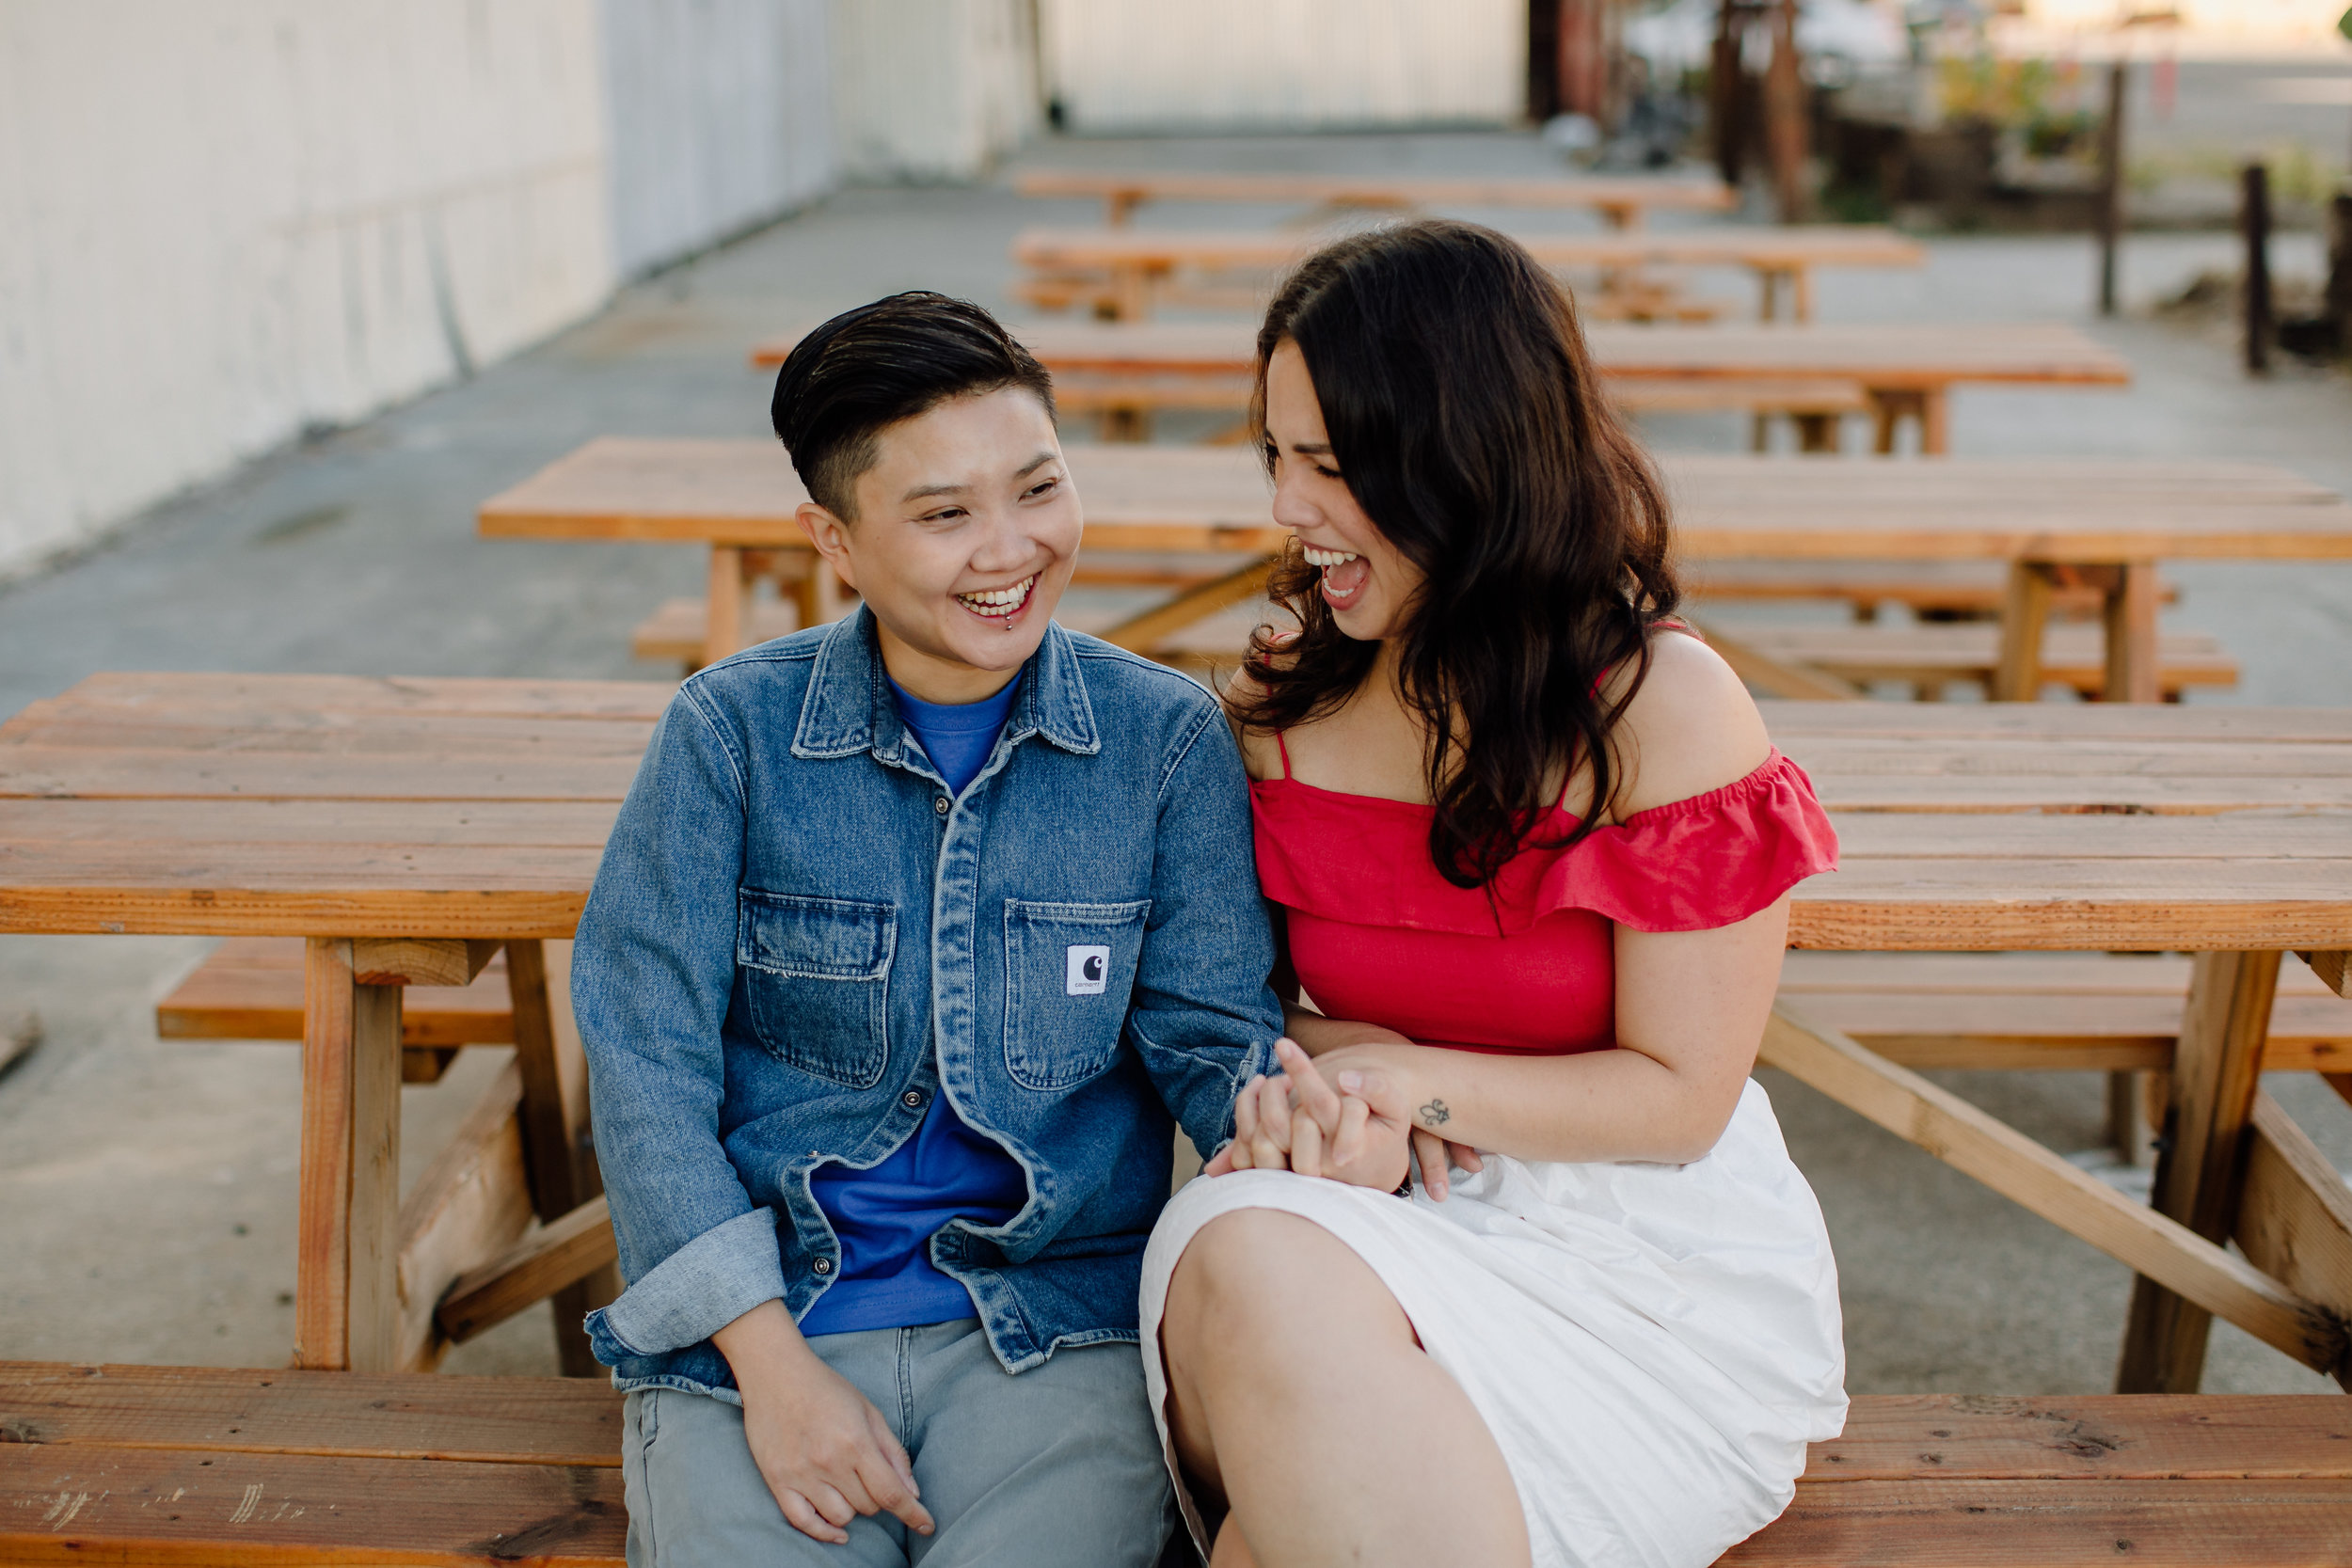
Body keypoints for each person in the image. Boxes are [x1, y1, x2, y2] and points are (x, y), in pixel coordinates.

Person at [1141, 223, 1849, 1568]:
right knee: (1248, 1262)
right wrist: (1344, 1095)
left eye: (1333, 468)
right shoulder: (1296, 683)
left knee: (1281, 1530)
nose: (1288, 510)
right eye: (1277, 459)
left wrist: (1409, 1083)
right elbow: (1239, 1011)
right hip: (1363, 1204)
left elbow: (1681, 1098)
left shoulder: (1664, 709)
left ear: (1463, 462)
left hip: (1637, 1245)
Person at [571, 291, 1284, 1567]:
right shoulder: (728, 736)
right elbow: (644, 1065)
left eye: (1039, 488)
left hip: (1058, 1329)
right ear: (832, 538)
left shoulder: (1164, 743)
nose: (1009, 550)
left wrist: (1293, 1118)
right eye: (946, 514)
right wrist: (773, 1372)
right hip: (764, 1326)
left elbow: (1212, 1039)